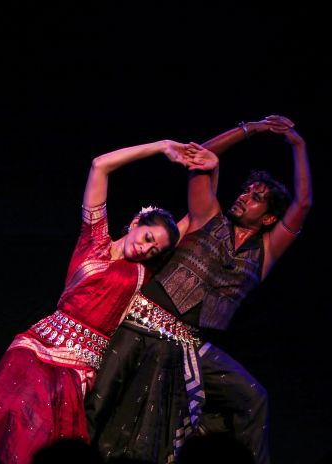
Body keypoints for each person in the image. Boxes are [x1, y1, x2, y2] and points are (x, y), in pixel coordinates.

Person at [0, 139, 206, 464]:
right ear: (134, 225)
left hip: (76, 367)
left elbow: (197, 215)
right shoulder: (94, 240)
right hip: (36, 347)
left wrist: (208, 162)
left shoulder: (143, 272)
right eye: (146, 238)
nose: (146, 249)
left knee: (40, 436)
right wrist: (162, 147)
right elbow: (100, 165)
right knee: (1, 412)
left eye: (155, 249)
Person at [86, 115, 311, 464]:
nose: (245, 197)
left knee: (253, 397)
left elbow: (303, 205)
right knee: (100, 402)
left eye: (256, 198)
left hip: (188, 345)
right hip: (141, 325)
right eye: (247, 190)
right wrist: (252, 129)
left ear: (268, 218)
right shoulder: (209, 217)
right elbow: (200, 156)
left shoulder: (266, 252)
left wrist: (298, 144)